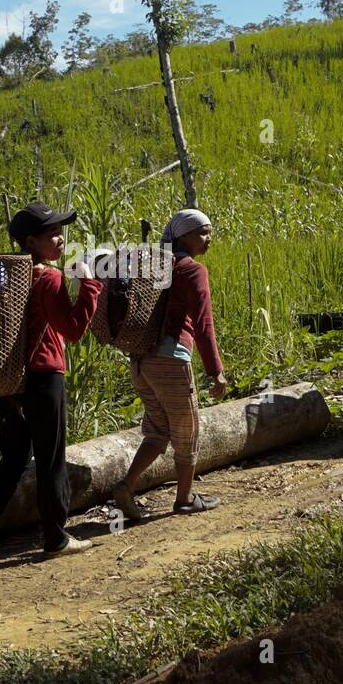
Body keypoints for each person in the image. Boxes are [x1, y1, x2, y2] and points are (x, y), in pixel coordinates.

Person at [0, 203, 104, 569]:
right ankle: (55, 537)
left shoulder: (7, 277)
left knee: (13, 460)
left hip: (9, 380)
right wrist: (89, 285)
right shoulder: (49, 279)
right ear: (31, 241)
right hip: (44, 376)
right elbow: (72, 330)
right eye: (51, 233)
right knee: (51, 458)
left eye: (60, 230)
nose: (60, 238)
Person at [110, 208, 227, 521]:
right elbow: (203, 324)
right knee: (187, 430)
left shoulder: (155, 265)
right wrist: (216, 369)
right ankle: (185, 498)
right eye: (203, 232)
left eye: (210, 231)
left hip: (140, 361)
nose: (208, 238)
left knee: (158, 430)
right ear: (184, 236)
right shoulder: (191, 270)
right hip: (170, 360)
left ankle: (126, 485)